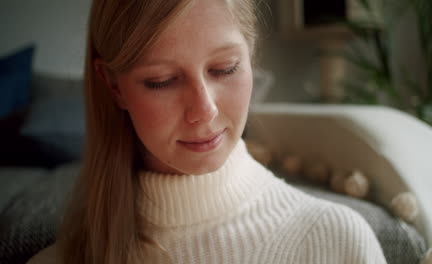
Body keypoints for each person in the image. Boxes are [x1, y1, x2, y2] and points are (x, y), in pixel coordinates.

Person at [28, 0, 387, 263]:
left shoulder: (338, 241)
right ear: (114, 87)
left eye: (225, 69)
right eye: (162, 81)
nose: (204, 111)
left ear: (251, 57)